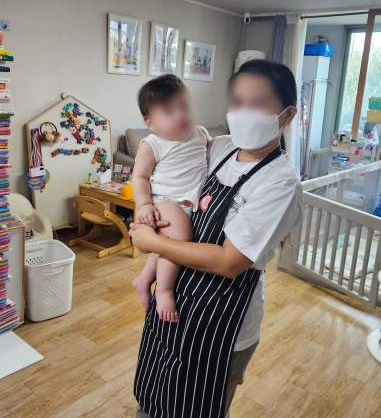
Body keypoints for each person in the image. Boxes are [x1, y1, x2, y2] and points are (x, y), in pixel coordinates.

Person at [130, 59, 305, 418]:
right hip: (178, 297)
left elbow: (230, 262)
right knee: (154, 393)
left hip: (222, 321)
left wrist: (152, 243)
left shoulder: (280, 183)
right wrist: (143, 208)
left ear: (287, 115)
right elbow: (169, 178)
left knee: (194, 408)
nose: (243, 112)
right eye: (236, 101)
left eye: (257, 103)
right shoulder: (221, 146)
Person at [131, 74, 210, 323]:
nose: (180, 115)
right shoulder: (152, 144)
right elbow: (140, 177)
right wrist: (143, 205)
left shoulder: (201, 134)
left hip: (190, 201)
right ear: (150, 122)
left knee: (164, 246)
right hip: (167, 200)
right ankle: (164, 290)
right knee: (179, 238)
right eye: (168, 111)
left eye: (184, 106)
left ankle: (143, 280)